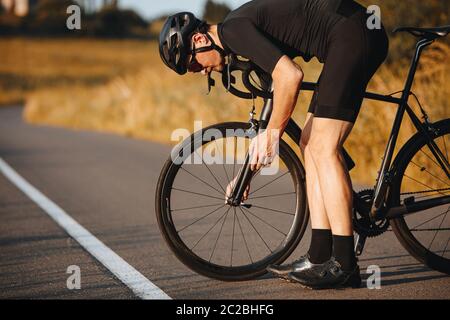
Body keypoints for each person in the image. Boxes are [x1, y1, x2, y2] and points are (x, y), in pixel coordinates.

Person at [159, 0, 388, 289]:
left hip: (356, 31)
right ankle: (319, 256)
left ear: (200, 39)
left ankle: (344, 264)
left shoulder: (233, 30)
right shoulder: (237, 36)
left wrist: (273, 135)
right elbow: (274, 100)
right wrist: (246, 175)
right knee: (308, 143)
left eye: (192, 63)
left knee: (322, 146)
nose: (199, 71)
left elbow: (290, 76)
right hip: (344, 36)